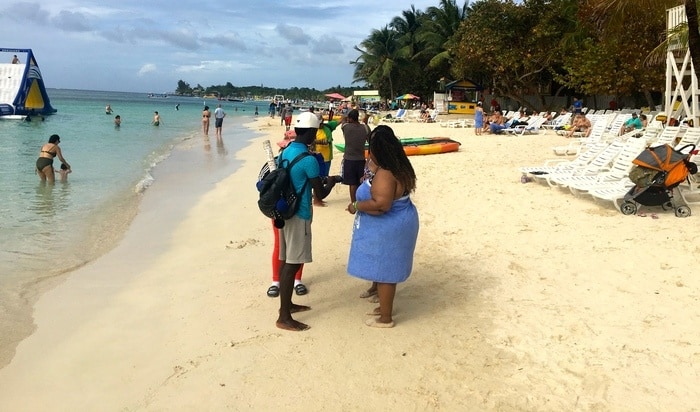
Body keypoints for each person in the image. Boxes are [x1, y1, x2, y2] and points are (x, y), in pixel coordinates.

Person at [346, 125, 419, 328]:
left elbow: (381, 204)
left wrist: (356, 205)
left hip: (391, 227)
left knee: (386, 272)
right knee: (385, 268)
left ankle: (385, 318)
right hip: (399, 221)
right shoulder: (397, 164)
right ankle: (384, 307)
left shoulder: (387, 172)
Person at [275, 111, 337, 331]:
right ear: (310, 132)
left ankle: (287, 304)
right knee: (293, 263)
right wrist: (331, 181)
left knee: (285, 260)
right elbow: (321, 194)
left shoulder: (285, 152)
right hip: (299, 214)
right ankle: (283, 316)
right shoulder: (309, 160)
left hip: (283, 212)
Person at [341, 109, 371, 203]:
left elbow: (343, 119)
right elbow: (370, 140)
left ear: (350, 118)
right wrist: (365, 122)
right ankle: (361, 200)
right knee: (361, 182)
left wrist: (346, 117)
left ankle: (353, 203)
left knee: (352, 184)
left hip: (349, 158)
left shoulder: (346, 127)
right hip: (361, 158)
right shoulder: (365, 128)